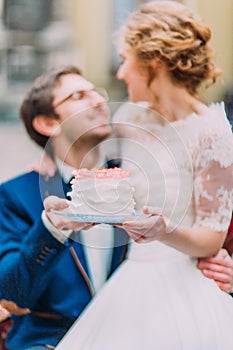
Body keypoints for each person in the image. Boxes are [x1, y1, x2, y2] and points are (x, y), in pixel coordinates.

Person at [54, 2, 233, 349]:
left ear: (153, 63)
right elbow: (108, 179)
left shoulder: (213, 132)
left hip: (181, 280)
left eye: (125, 59)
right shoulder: (136, 120)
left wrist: (164, 231)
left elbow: (211, 238)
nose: (120, 73)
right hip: (129, 278)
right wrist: (76, 208)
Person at [0, 65, 128, 350]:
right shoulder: (15, 195)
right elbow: (11, 293)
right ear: (47, 122)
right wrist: (51, 229)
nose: (98, 101)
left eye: (98, 92)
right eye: (79, 95)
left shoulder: (136, 181)